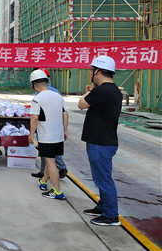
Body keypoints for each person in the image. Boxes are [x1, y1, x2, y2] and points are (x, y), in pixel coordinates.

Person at [78, 56, 123, 226]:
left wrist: (91, 89)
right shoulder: (112, 90)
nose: (90, 72)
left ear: (98, 71)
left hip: (101, 143)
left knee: (103, 180)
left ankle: (111, 215)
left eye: (92, 69)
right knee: (102, 177)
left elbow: (81, 104)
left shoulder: (102, 90)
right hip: (103, 142)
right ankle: (103, 206)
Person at [27, 70, 68, 200]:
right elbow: (65, 114)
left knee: (50, 162)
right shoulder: (58, 96)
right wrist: (65, 130)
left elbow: (34, 118)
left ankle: (57, 192)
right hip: (58, 135)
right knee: (50, 159)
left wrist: (31, 135)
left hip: (46, 135)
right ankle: (44, 181)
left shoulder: (37, 98)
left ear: (34, 84)